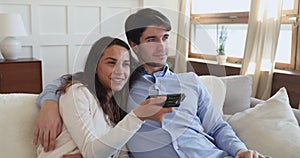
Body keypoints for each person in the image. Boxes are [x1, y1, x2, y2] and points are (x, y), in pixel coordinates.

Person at [34, 8, 271, 158]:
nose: (162, 46)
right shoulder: (121, 83)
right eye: (151, 39)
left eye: (165, 38)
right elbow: (74, 80)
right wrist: (49, 103)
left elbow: (218, 127)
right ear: (134, 44)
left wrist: (240, 150)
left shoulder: (191, 83)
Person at [35, 36, 173, 158]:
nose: (120, 71)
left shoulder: (116, 104)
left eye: (126, 64)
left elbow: (121, 153)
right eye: (111, 63)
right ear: (95, 66)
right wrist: (138, 116)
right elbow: (91, 153)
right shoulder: (78, 93)